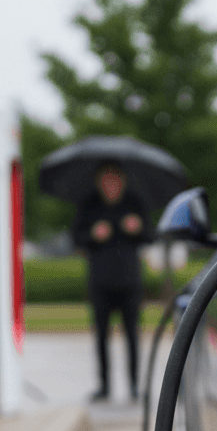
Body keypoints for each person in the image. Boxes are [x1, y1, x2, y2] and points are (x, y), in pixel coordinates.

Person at [72, 164, 152, 402]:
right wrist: (92, 235)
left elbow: (150, 235)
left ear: (123, 181)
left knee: (132, 335)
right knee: (101, 336)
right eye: (106, 180)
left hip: (130, 281)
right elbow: (76, 238)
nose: (111, 185)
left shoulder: (135, 204)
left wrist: (137, 228)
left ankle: (135, 385)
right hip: (100, 282)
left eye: (115, 180)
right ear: (99, 182)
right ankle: (104, 386)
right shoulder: (89, 205)